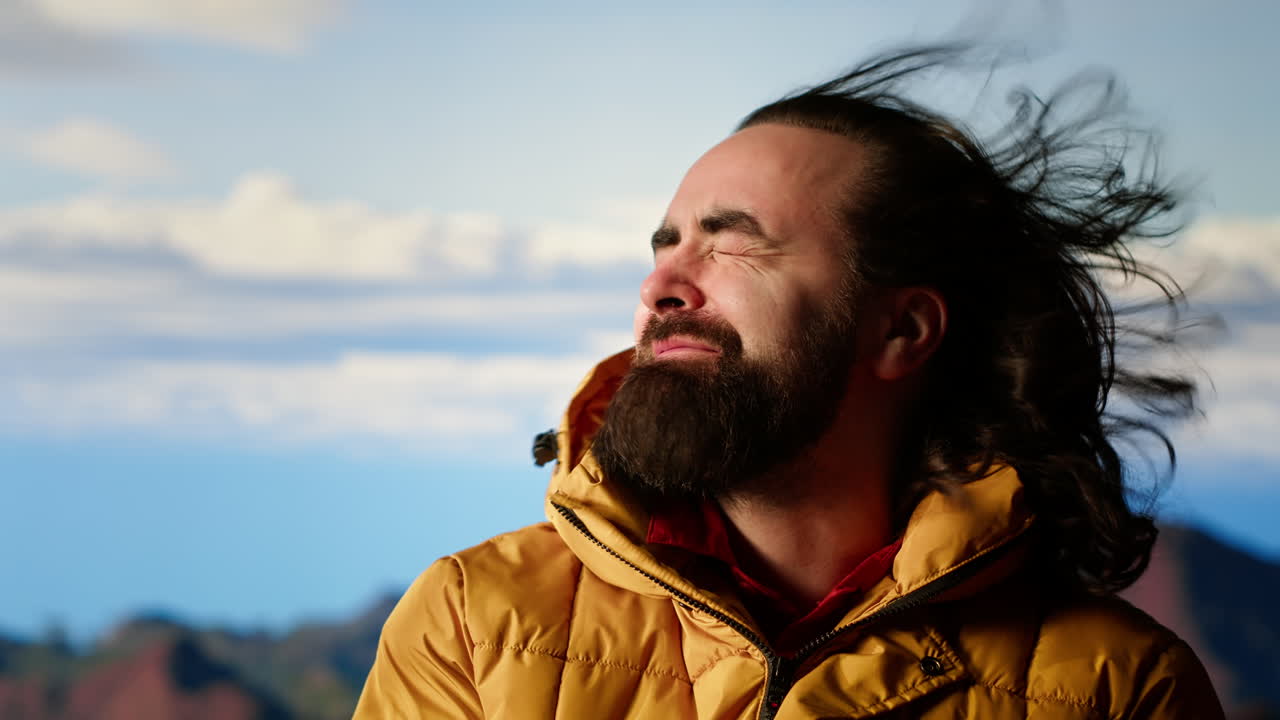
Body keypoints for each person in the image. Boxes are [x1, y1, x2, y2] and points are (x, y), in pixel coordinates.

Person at [354, 46, 1225, 719]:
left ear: (901, 330)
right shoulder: (474, 620)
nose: (663, 285)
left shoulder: (1120, 689)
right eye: (664, 247)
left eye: (733, 244)